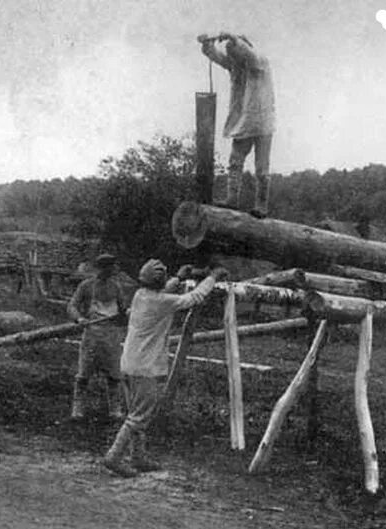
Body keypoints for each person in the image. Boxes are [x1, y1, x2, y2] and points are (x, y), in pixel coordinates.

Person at [102, 260, 227, 477]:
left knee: (137, 413)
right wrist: (212, 277)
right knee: (139, 416)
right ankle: (114, 456)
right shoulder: (161, 301)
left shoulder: (140, 295)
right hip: (144, 367)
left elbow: (162, 291)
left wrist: (177, 278)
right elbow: (193, 298)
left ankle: (137, 457)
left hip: (130, 363)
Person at [198, 32, 276, 218]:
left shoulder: (259, 62)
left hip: (262, 123)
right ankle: (232, 200)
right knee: (235, 161)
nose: (232, 58)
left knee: (261, 168)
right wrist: (207, 45)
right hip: (245, 122)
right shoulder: (237, 66)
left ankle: (261, 207)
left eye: (235, 52)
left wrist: (232, 37)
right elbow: (218, 57)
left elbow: (249, 54)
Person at [67, 253, 129, 420]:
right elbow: (72, 305)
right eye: (109, 267)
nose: (113, 270)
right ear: (102, 268)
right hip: (92, 334)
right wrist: (79, 318)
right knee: (83, 374)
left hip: (112, 335)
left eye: (113, 267)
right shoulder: (86, 286)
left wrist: (125, 313)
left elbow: (123, 309)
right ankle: (78, 408)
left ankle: (115, 409)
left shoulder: (116, 287)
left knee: (114, 375)